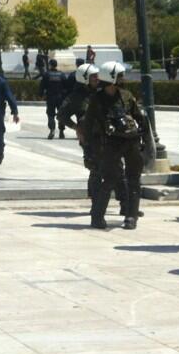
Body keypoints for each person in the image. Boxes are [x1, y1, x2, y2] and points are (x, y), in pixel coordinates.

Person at [83, 61, 147, 230]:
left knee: (134, 179)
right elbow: (88, 125)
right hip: (111, 144)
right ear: (111, 77)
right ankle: (97, 217)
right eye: (119, 76)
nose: (122, 79)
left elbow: (140, 118)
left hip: (131, 142)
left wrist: (145, 141)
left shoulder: (126, 95)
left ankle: (131, 216)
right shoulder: (97, 99)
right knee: (109, 179)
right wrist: (89, 149)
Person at [39, 59, 70, 139]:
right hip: (60, 98)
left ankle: (52, 130)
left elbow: (42, 86)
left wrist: (41, 95)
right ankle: (61, 131)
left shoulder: (47, 74)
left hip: (50, 98)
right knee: (61, 114)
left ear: (50, 65)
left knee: (50, 114)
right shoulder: (62, 74)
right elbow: (66, 86)